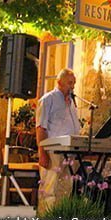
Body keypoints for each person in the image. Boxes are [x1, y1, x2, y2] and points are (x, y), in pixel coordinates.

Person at [36, 68, 81, 212]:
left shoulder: (72, 104)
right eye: (70, 83)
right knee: (50, 190)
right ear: (59, 82)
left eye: (74, 83)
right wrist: (42, 153)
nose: (72, 86)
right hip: (53, 152)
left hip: (70, 154)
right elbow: (41, 128)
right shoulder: (48, 99)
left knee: (65, 191)